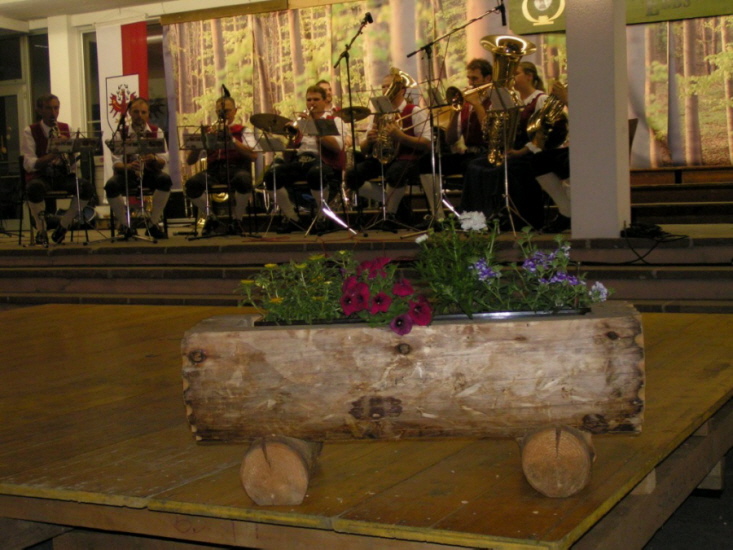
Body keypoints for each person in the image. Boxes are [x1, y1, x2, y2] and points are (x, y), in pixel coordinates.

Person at [460, 61, 549, 230]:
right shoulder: (507, 99)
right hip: (510, 149)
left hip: (529, 152)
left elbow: (543, 134)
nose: (511, 78)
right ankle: (474, 219)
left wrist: (521, 151)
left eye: (516, 74)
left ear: (529, 76)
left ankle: (505, 216)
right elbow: (490, 130)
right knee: (475, 166)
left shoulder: (541, 99)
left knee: (502, 169)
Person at [345, 68, 431, 230]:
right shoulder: (378, 114)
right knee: (352, 175)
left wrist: (401, 137)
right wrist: (369, 141)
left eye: (389, 86)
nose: (385, 90)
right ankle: (397, 205)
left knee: (395, 173)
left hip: (408, 159)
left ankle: (390, 214)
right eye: (383, 87)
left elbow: (427, 143)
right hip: (382, 158)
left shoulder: (414, 111)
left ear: (402, 90)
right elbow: (364, 149)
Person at [262, 84, 346, 234]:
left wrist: (313, 127)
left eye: (316, 99)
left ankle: (322, 217)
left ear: (325, 101)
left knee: (316, 173)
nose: (312, 103)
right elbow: (288, 157)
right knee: (271, 175)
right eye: (309, 100)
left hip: (323, 162)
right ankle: (292, 217)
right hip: (300, 161)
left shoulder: (334, 121)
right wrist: (291, 138)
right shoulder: (301, 123)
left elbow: (337, 147)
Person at [418, 58, 492, 225]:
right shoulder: (466, 105)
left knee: (470, 166)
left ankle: (471, 216)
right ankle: (439, 217)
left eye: (475, 79)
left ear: (487, 79)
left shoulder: (493, 100)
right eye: (469, 78)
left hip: (488, 153)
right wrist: (455, 112)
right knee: (426, 162)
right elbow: (450, 139)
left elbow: (488, 130)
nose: (470, 83)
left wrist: (477, 104)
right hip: (469, 153)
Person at [22, 94, 95, 246]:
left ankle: (64, 224)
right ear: (39, 110)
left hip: (62, 175)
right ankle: (41, 229)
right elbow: (29, 164)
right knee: (33, 188)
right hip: (42, 175)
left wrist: (70, 150)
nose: (53, 113)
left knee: (86, 187)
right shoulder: (30, 131)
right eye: (48, 108)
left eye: (56, 108)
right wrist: (54, 153)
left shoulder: (66, 129)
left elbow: (72, 164)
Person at [185, 95, 257, 236]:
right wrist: (200, 142)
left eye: (227, 111)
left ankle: (237, 220)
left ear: (235, 111)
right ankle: (211, 217)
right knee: (191, 185)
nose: (223, 114)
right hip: (214, 170)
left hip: (236, 168)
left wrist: (232, 139)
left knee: (244, 180)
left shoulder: (243, 131)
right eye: (220, 112)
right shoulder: (210, 131)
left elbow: (254, 156)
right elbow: (190, 161)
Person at [104, 97, 172, 240]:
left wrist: (153, 158)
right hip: (128, 173)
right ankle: (125, 225)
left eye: (143, 112)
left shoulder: (156, 132)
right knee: (110, 185)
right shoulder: (120, 134)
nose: (139, 115)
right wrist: (128, 166)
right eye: (136, 112)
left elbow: (164, 160)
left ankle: (152, 224)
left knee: (165, 180)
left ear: (148, 114)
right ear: (129, 113)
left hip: (149, 172)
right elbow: (116, 163)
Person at [532, 81, 571, 233]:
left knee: (568, 163)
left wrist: (566, 100)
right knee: (539, 161)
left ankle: (570, 212)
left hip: (593, 150)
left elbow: (589, 121)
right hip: (574, 148)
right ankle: (566, 210)